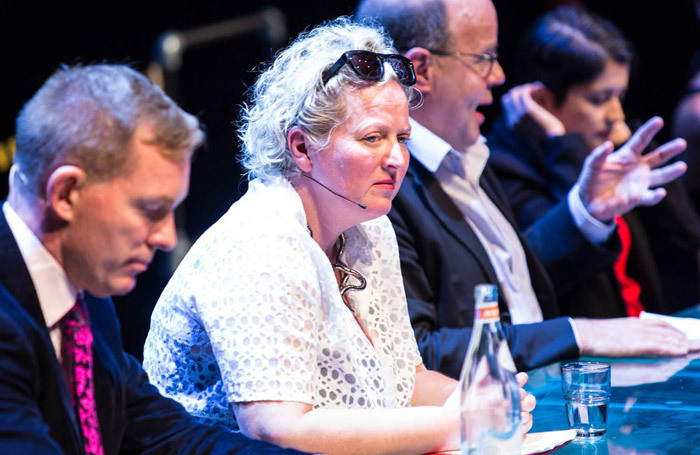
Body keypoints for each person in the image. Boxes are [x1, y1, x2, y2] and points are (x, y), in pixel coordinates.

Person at [143, 19, 534, 455]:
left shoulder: (370, 228)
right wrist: (457, 425)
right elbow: (277, 430)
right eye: (372, 138)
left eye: (402, 137)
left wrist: (478, 401)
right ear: (301, 148)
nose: (397, 159)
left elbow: (405, 382)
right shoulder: (261, 243)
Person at [355, 0, 700, 380]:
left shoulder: (468, 155)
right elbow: (417, 354)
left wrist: (586, 210)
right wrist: (580, 332)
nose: (499, 75)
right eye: (485, 57)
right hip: (490, 423)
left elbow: (515, 288)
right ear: (421, 69)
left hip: (542, 402)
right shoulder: (382, 185)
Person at [0, 64, 305, 455]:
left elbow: (169, 436)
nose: (165, 237)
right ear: (65, 194)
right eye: (151, 210)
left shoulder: (86, 301)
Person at [487, 6, 700, 317]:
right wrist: (560, 143)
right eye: (600, 100)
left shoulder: (609, 147)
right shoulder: (504, 167)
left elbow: (687, 238)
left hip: (649, 336)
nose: (617, 115)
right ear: (544, 100)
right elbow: (566, 274)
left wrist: (628, 143)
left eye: (620, 97)